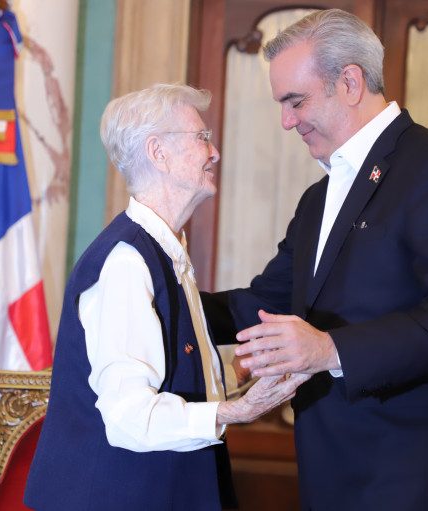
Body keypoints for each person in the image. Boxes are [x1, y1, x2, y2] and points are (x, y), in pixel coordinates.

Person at [202, 9, 428, 510]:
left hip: (412, 477)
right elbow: (269, 302)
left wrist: (327, 349)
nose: (286, 121)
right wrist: (165, 299)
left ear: (351, 83)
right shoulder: (318, 197)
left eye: (296, 101)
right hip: (329, 471)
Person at [24, 84, 308, 511]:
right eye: (202, 137)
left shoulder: (161, 249)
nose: (214, 152)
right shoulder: (125, 261)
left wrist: (231, 378)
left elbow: (168, 377)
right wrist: (235, 411)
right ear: (157, 153)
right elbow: (129, 416)